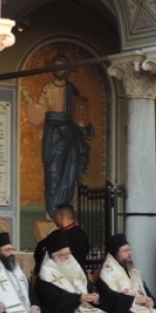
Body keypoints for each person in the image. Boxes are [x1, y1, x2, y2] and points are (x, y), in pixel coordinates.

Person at [25, 56, 94, 214]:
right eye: (56, 67)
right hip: (53, 134)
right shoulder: (47, 88)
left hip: (70, 136)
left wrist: (82, 123)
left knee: (69, 175)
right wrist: (29, 100)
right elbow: (39, 113)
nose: (60, 70)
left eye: (63, 67)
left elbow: (79, 110)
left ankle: (64, 210)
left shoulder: (72, 89)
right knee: (53, 173)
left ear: (68, 71)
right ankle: (52, 212)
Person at [33, 204, 90, 277]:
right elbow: (39, 248)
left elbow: (75, 258)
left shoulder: (80, 236)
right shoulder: (55, 234)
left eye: (55, 215)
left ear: (61, 216)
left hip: (72, 278)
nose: (54, 218)